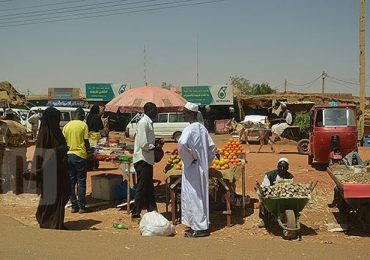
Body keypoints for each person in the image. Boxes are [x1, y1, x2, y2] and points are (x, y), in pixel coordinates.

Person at [178, 102, 216, 238]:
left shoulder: (189, 129)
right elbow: (212, 148)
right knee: (200, 195)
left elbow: (182, 144)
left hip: (192, 168)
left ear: (191, 114)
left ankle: (200, 228)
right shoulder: (202, 128)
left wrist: (190, 159)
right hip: (201, 167)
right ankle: (197, 225)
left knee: (194, 196)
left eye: (185, 112)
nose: (183, 115)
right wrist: (206, 161)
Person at [34, 107, 70, 230]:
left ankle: (55, 221)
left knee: (62, 194)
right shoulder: (45, 132)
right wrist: (60, 149)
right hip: (49, 169)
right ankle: (48, 221)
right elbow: (43, 153)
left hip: (59, 169)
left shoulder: (55, 131)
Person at [131, 102, 160, 221]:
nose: (156, 113)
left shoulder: (149, 123)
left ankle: (152, 210)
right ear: (149, 110)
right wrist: (154, 146)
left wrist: (156, 143)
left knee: (148, 186)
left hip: (147, 159)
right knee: (142, 187)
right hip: (142, 159)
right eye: (155, 110)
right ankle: (135, 213)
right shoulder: (143, 123)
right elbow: (144, 144)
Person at [63, 107, 90, 214]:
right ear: (81, 115)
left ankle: (74, 206)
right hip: (80, 156)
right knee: (81, 181)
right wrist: (89, 150)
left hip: (69, 155)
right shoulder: (83, 125)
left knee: (71, 181)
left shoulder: (66, 126)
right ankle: (82, 206)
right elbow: (86, 141)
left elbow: (63, 141)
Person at [256, 158, 293, 228]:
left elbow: (290, 187)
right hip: (271, 196)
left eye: (284, 167)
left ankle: (284, 217)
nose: (282, 169)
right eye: (280, 166)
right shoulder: (270, 175)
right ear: (277, 166)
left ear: (287, 168)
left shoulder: (290, 177)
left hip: (284, 196)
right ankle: (264, 220)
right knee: (263, 200)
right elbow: (265, 186)